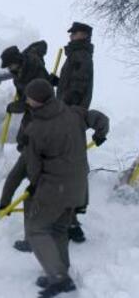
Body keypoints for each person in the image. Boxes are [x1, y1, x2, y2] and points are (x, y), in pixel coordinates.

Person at [0, 79, 108, 298]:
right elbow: (100, 118)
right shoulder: (73, 113)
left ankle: (58, 278)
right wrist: (100, 134)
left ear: (36, 100)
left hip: (54, 188)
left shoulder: (37, 129)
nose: (26, 100)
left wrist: (13, 196)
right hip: (78, 186)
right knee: (58, 229)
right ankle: (59, 272)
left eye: (28, 97)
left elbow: (30, 168)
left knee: (36, 229)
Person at [50, 22, 95, 243]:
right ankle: (73, 224)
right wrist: (58, 83)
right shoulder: (78, 55)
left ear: (83, 35)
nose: (70, 36)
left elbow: (78, 87)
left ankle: (70, 222)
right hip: (71, 114)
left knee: (65, 166)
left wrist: (64, 110)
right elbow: (73, 84)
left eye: (74, 33)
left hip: (69, 116)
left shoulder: (81, 56)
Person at [0, 42, 50, 150]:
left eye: (10, 66)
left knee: (28, 141)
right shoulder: (21, 65)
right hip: (31, 105)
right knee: (22, 140)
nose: (9, 69)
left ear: (16, 61)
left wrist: (15, 106)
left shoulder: (34, 71)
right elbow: (41, 44)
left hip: (42, 109)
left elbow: (34, 100)